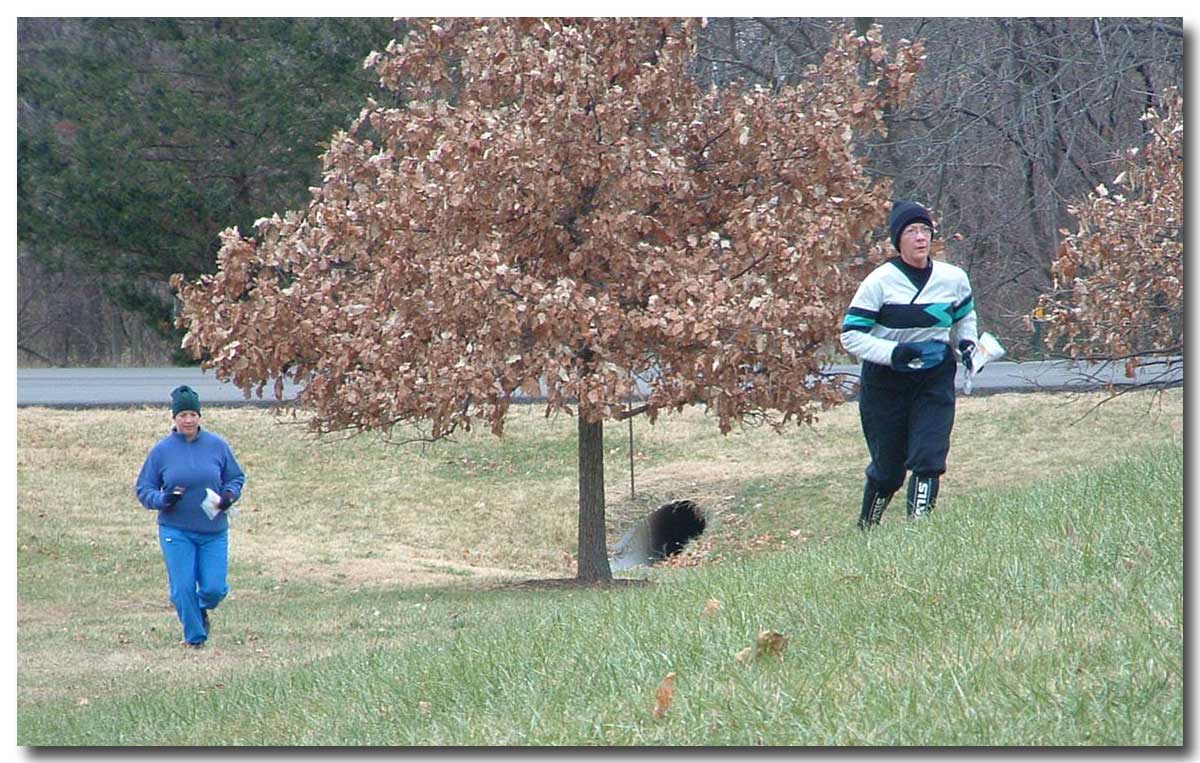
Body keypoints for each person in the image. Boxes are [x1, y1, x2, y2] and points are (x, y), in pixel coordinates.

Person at [839, 200, 979, 529]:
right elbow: (851, 336)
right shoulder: (879, 282)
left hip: (934, 377)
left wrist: (968, 345)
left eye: (926, 231)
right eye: (912, 231)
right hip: (886, 382)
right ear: (898, 240)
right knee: (889, 470)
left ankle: (918, 533)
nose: (920, 238)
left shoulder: (953, 278)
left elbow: (964, 317)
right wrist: (893, 354)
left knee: (929, 458)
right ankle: (866, 530)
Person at [136, 385, 245, 647]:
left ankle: (200, 607)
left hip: (213, 531)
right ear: (174, 418)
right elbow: (144, 489)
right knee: (182, 589)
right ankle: (195, 638)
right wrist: (165, 499)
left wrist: (229, 494)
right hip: (176, 530)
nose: (188, 420)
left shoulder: (217, 446)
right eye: (182, 414)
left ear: (199, 417)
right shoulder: (162, 451)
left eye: (192, 414)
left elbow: (235, 477)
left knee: (214, 589)